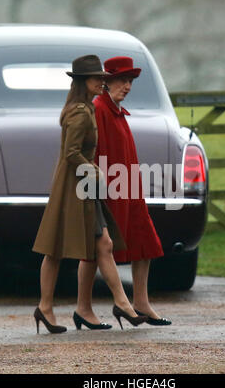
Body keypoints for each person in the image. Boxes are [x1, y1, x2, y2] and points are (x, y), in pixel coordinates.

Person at [32, 55, 147, 333]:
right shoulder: (80, 111)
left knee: (102, 243)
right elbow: (71, 154)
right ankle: (46, 308)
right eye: (98, 79)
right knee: (54, 249)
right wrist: (95, 170)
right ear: (84, 81)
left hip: (84, 185)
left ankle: (121, 303)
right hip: (74, 188)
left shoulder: (85, 108)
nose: (103, 82)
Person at [78, 56, 171, 326]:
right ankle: (83, 308)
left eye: (130, 81)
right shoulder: (98, 109)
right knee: (96, 248)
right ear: (106, 81)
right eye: (122, 80)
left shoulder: (118, 111)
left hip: (130, 190)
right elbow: (89, 152)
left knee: (145, 241)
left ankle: (141, 302)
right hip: (107, 191)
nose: (127, 86)